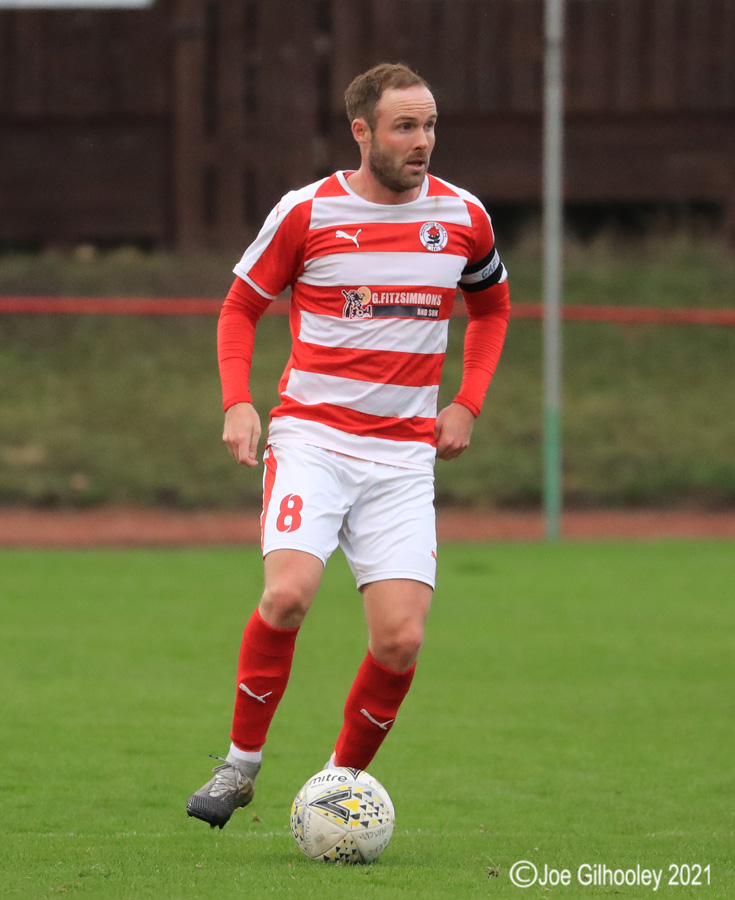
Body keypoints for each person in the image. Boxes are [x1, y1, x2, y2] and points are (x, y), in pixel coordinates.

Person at [187, 62, 510, 830]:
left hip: (402, 460)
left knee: (399, 640)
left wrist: (466, 403)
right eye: (404, 127)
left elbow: (491, 309)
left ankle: (336, 788)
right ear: (361, 131)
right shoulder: (307, 212)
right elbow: (239, 307)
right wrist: (237, 401)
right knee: (288, 595)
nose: (421, 141)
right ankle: (239, 766)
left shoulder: (463, 217)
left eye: (429, 126)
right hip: (314, 441)